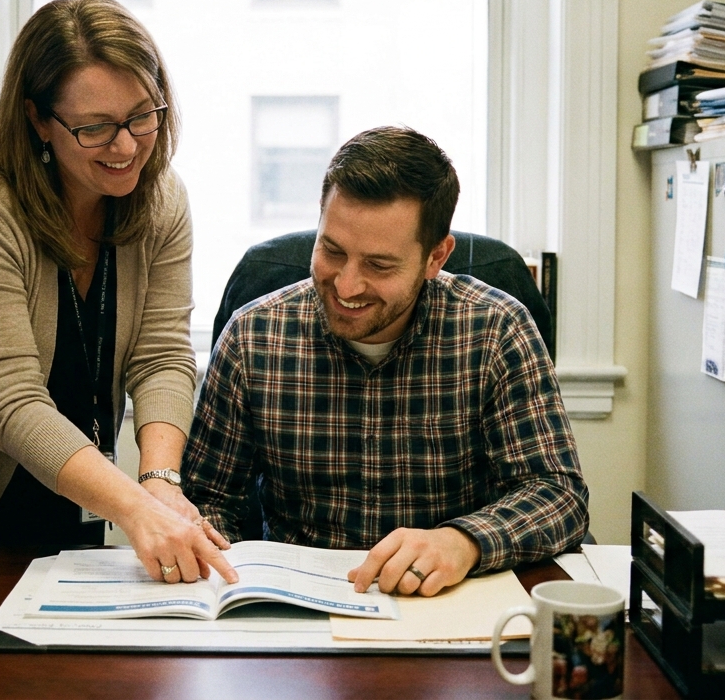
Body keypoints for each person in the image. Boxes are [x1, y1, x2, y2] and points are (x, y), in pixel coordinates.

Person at [0, 0, 234, 586]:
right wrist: (135, 509)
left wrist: (160, 483)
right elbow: (12, 402)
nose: (127, 146)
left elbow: (161, 356)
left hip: (66, 482)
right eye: (95, 128)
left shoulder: (159, 201)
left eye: (141, 115)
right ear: (38, 120)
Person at [184, 126, 588, 597]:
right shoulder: (254, 336)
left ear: (435, 256)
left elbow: (558, 494)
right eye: (332, 251)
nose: (347, 285)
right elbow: (206, 499)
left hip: (446, 603)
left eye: (379, 265)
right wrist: (225, 567)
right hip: (299, 607)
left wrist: (463, 542)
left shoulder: (497, 330)